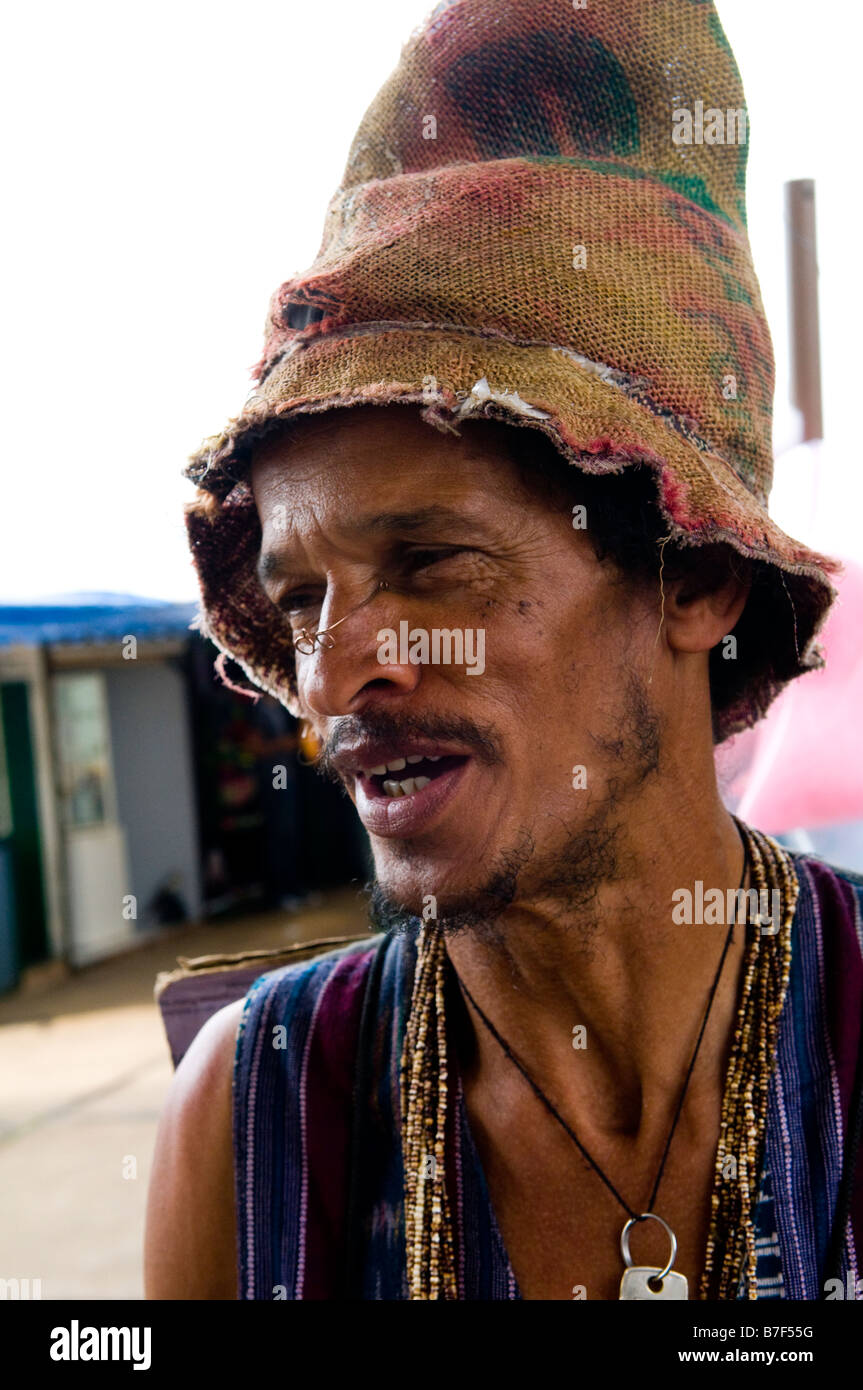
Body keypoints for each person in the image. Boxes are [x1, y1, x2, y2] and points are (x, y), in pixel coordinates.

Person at [145, 0, 863, 1300]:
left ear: (691, 576)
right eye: (301, 598)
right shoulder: (252, 1125)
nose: (332, 675)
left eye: (432, 564)